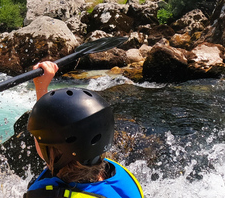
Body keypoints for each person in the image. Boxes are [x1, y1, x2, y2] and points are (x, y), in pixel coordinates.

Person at [24, 61, 144, 198]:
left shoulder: (46, 194)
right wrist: (41, 87)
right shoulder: (115, 173)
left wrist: (41, 87)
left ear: (57, 155)